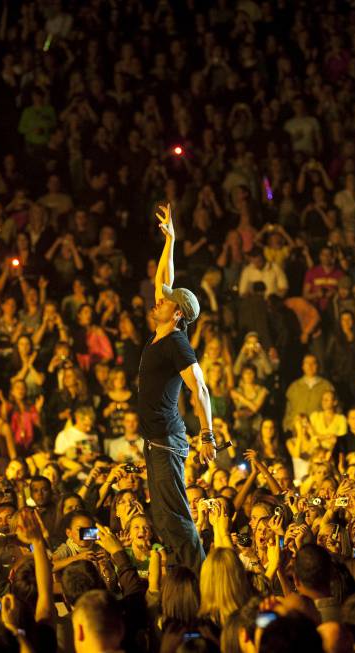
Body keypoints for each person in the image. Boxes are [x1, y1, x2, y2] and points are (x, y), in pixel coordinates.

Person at [138, 204, 217, 572]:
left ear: (178, 313)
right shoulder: (163, 331)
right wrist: (170, 240)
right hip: (156, 442)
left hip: (169, 441)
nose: (159, 299)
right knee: (165, 517)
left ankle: (202, 579)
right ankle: (183, 574)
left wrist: (208, 433)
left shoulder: (178, 344)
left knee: (176, 518)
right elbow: (162, 279)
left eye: (166, 301)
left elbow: (200, 389)